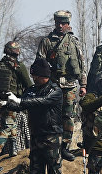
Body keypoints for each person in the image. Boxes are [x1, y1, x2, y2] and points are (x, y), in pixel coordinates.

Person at [4, 57, 64, 174]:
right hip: (36, 138)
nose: (33, 78)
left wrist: (20, 100)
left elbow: (41, 102)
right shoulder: (31, 90)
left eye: (35, 75)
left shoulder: (55, 90)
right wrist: (5, 102)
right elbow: (20, 105)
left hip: (52, 138)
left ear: (42, 75)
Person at [36, 10, 85, 161]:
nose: (60, 26)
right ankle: (50, 144)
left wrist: (83, 85)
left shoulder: (74, 42)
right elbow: (39, 63)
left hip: (70, 85)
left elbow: (81, 64)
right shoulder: (47, 41)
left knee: (68, 116)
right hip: (53, 85)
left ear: (68, 24)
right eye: (58, 23)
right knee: (50, 116)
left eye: (63, 23)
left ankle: (65, 147)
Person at [0, 41, 33, 172]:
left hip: (0, 101)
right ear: (17, 52)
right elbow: (29, 84)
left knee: (11, 124)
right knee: (7, 127)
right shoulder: (18, 66)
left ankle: (13, 149)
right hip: (12, 101)